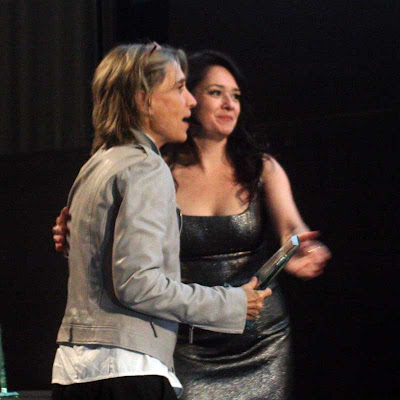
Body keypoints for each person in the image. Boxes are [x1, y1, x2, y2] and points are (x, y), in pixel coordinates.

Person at [53, 49, 331, 399]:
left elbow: (293, 231)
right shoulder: (149, 168)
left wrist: (304, 248)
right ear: (147, 99)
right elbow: (134, 280)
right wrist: (78, 238)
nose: (228, 104)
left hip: (257, 340)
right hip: (177, 344)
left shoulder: (107, 162)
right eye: (212, 92)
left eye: (236, 96)